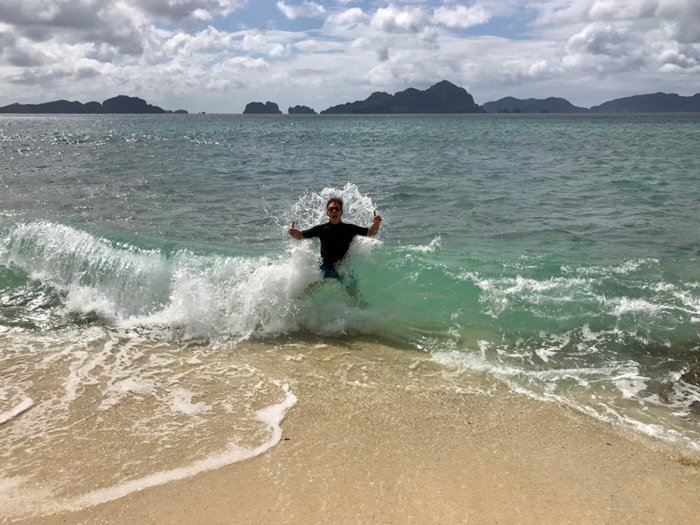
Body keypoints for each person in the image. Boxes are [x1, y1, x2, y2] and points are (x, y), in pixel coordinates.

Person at [288, 197, 382, 287]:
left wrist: (377, 223)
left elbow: (371, 233)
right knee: (310, 289)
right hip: (325, 268)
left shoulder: (350, 228)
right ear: (327, 213)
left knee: (354, 294)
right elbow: (300, 235)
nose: (334, 211)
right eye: (331, 209)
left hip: (342, 269)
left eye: (337, 209)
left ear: (341, 212)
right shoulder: (320, 229)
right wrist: (293, 232)